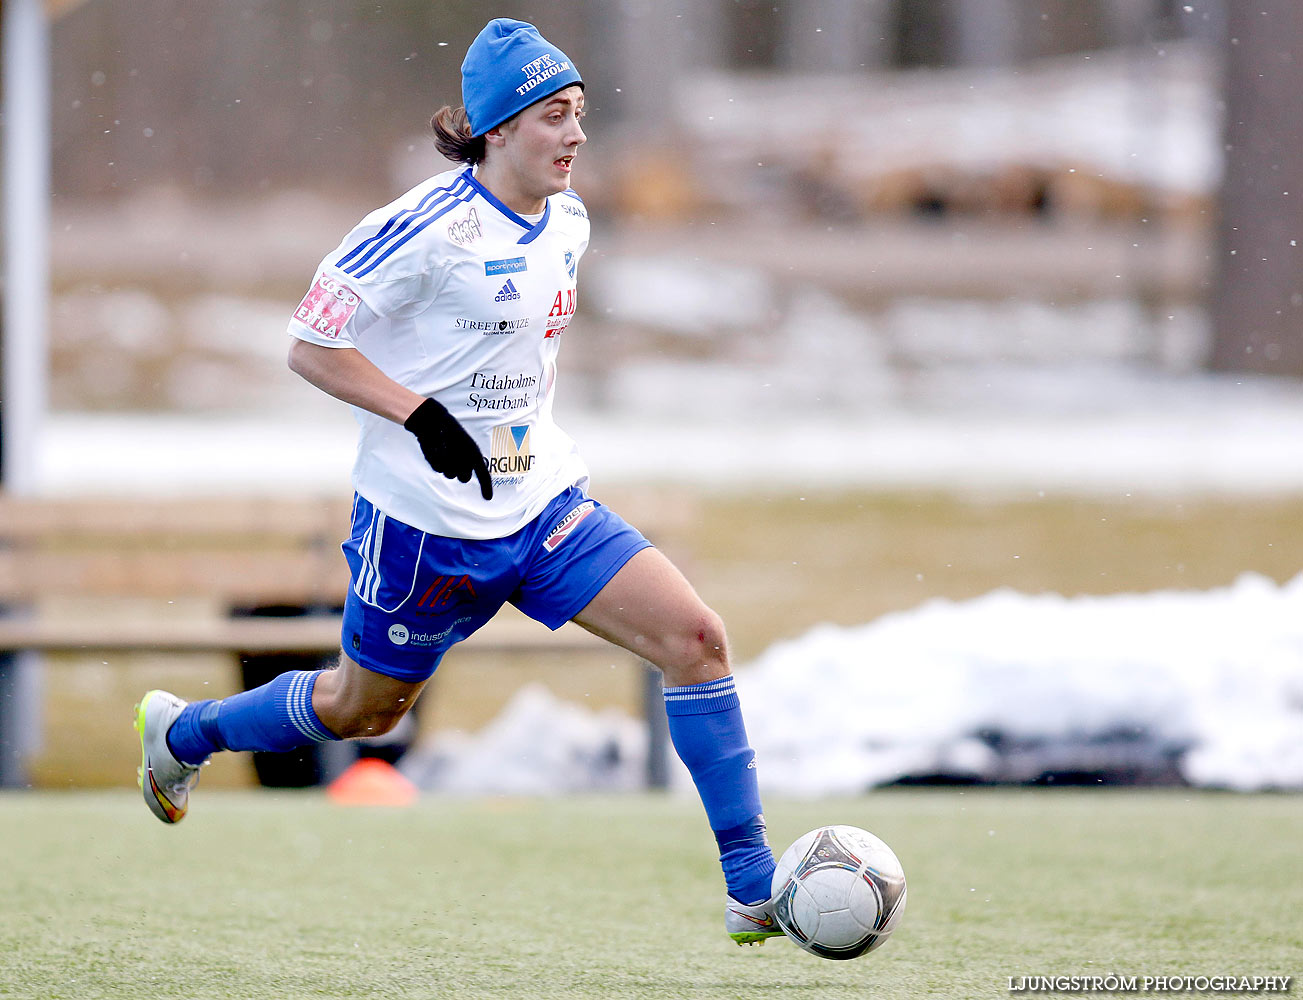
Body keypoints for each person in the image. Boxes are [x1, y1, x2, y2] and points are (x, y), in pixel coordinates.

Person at [134, 17, 780, 946]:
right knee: (363, 710)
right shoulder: (416, 229)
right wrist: (419, 414)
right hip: (423, 529)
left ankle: (751, 887)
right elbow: (309, 345)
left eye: (582, 114)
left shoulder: (571, 221)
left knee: (697, 639)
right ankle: (185, 733)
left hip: (544, 504)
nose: (577, 135)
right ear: (499, 127)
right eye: (556, 115)